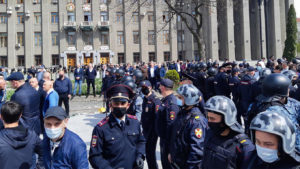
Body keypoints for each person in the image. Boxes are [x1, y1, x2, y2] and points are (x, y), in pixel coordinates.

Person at [89, 84, 146, 169]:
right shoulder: (101, 128)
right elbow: (95, 156)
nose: (119, 106)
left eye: (123, 103)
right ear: (110, 105)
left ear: (128, 105)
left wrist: (140, 156)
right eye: (116, 103)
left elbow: (141, 142)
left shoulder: (135, 123)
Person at [202, 96, 255, 169]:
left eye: (213, 119)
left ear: (226, 119)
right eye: (208, 118)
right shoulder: (210, 134)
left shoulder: (244, 147)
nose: (209, 122)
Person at [168, 84, 208, 169]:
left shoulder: (197, 121)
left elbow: (196, 151)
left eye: (180, 98)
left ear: (189, 100)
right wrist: (171, 153)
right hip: (176, 162)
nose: (177, 100)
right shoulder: (182, 113)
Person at [0, 101, 44, 169]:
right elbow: (44, 150)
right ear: (20, 115)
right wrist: (40, 166)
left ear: (1, 116)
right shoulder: (31, 135)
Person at [156, 78, 180, 169]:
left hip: (168, 142)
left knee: (167, 165)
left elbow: (171, 125)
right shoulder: (165, 100)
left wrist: (170, 148)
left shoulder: (171, 103)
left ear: (163, 87)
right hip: (164, 140)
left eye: (160, 86)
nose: (158, 87)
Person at [140, 80, 161, 169]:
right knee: (147, 153)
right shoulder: (145, 99)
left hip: (152, 132)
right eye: (142, 88)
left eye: (145, 88)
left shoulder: (155, 101)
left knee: (150, 154)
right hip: (145, 130)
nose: (143, 89)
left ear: (150, 88)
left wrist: (154, 132)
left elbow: (157, 118)